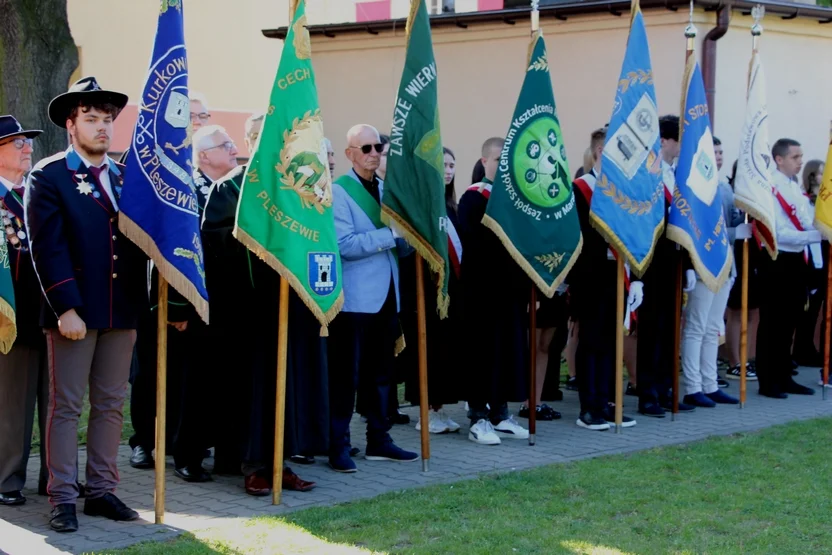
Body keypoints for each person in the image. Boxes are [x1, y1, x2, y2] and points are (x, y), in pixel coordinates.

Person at [26, 77, 146, 532]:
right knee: (67, 406)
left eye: (107, 120)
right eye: (91, 119)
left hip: (121, 309)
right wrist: (65, 308)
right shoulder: (50, 174)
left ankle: (101, 490)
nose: (101, 128)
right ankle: (62, 497)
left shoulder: (124, 175)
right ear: (70, 125)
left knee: (113, 403)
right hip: (75, 310)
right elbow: (47, 247)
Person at [200, 113, 318, 495]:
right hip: (245, 308)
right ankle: (252, 465)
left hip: (289, 305)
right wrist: (257, 241)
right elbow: (213, 240)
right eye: (260, 136)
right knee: (250, 389)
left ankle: (281, 461)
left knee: (287, 385)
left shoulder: (295, 187)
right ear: (250, 141)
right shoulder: (229, 187)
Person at [328, 124, 419, 472]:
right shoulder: (339, 191)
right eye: (365, 148)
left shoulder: (388, 191)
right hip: (354, 300)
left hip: (387, 297)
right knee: (345, 377)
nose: (374, 153)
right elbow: (344, 245)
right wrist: (390, 234)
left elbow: (401, 246)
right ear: (350, 153)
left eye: (378, 147)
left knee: (382, 374)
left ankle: (379, 440)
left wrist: (411, 236)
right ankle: (338, 445)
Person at [458, 137, 530, 444]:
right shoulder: (473, 199)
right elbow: (473, 247)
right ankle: (478, 417)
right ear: (485, 161)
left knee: (508, 352)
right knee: (481, 354)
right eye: (499, 160)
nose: (503, 166)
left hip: (510, 292)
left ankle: (501, 414)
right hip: (481, 293)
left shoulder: (517, 199)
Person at [570, 127, 639, 430]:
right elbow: (578, 238)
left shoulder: (623, 188)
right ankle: (590, 406)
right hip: (592, 276)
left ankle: (610, 402)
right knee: (592, 342)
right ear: (600, 152)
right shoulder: (580, 189)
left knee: (613, 342)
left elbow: (635, 234)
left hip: (618, 275)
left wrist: (637, 277)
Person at [0, 115, 48, 507]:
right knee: (12, 404)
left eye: (28, 142)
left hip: (50, 313)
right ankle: (7, 478)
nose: (27, 147)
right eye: (17, 143)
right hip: (9, 318)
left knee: (55, 403)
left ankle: (57, 477)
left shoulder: (37, 193)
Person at [637, 115, 696, 418]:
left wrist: (687, 265)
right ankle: (647, 393)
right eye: (679, 140)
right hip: (653, 261)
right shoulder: (649, 174)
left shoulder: (675, 175)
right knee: (653, 330)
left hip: (674, 261)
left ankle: (666, 388)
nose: (682, 147)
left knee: (672, 328)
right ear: (664, 141)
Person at [755, 139, 822, 398]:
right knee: (773, 322)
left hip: (796, 261)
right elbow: (778, 232)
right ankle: (768, 380)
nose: (800, 161)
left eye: (801, 156)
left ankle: (784, 376)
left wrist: (819, 229)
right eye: (795, 157)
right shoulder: (770, 187)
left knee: (791, 320)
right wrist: (815, 237)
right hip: (776, 259)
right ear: (779, 159)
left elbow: (805, 222)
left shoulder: (794, 187)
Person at [679, 136, 740, 408]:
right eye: (713, 152)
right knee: (697, 325)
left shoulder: (725, 185)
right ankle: (693, 385)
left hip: (726, 261)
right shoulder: (694, 186)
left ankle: (710, 382)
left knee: (714, 326)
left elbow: (731, 219)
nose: (718, 156)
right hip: (704, 261)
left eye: (720, 151)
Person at [405, 147, 463, 434]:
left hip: (450, 293)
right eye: (444, 165)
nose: (449, 170)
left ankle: (439, 408)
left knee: (445, 353)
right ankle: (425, 412)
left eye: (453, 165)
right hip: (428, 292)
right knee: (429, 351)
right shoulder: (424, 207)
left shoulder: (451, 207)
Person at [724, 159, 759, 381]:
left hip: (755, 253)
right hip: (735, 252)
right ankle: (735, 361)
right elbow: (730, 221)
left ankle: (750, 359)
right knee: (736, 310)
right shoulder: (729, 191)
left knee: (754, 311)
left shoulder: (760, 191)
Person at [793, 159, 826, 368]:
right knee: (807, 306)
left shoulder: (824, 201)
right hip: (809, 255)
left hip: (822, 254)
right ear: (812, 175)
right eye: (822, 173)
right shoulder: (805, 199)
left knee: (817, 306)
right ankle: (801, 349)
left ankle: (809, 349)